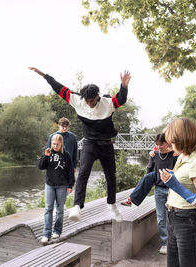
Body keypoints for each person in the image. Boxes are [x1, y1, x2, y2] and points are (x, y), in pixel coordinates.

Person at [29, 67, 131, 222]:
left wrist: (123, 86)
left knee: (111, 176)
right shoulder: (78, 101)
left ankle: (111, 205)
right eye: (87, 101)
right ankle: (77, 206)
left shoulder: (107, 103)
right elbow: (60, 89)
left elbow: (121, 99)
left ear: (97, 97)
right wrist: (45, 76)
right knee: (83, 173)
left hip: (106, 144)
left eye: (92, 100)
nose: (89, 104)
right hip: (90, 143)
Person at [160, 118, 196, 266]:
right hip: (172, 218)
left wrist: (176, 185)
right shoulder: (182, 157)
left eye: (172, 142)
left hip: (189, 222)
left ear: (182, 139)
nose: (170, 145)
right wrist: (173, 178)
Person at [121, 133, 178, 255]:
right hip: (159, 190)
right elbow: (149, 169)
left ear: (167, 143)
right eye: (156, 144)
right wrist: (150, 180)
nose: (158, 147)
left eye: (161, 144)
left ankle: (174, 243)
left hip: (172, 191)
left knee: (172, 218)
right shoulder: (155, 155)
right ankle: (164, 244)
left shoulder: (174, 156)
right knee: (161, 219)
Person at [38, 134, 75, 243]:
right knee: (48, 209)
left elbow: (70, 171)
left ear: (61, 144)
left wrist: (70, 185)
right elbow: (41, 167)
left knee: (59, 210)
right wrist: (45, 156)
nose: (55, 146)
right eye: (53, 144)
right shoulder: (48, 153)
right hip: (50, 185)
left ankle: (57, 231)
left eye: (57, 144)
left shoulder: (66, 155)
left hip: (62, 186)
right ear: (51, 143)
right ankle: (46, 233)